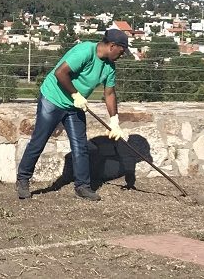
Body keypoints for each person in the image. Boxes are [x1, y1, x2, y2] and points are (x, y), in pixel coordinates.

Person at [16, 29, 129, 201]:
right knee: (39, 140)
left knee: (80, 146)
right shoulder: (85, 51)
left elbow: (110, 93)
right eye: (121, 51)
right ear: (112, 46)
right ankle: (23, 180)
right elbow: (60, 72)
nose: (122, 55)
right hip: (53, 99)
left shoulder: (109, 66)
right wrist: (76, 95)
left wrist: (114, 120)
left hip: (75, 106)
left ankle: (82, 186)